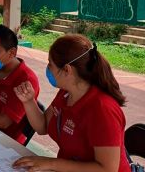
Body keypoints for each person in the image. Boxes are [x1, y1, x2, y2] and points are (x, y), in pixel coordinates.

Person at [13, 34, 130, 172]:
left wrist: (52, 163)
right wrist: (28, 101)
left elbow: (107, 169)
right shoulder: (66, 93)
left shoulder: (102, 109)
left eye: (50, 64)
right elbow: (42, 126)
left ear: (67, 70)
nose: (48, 69)